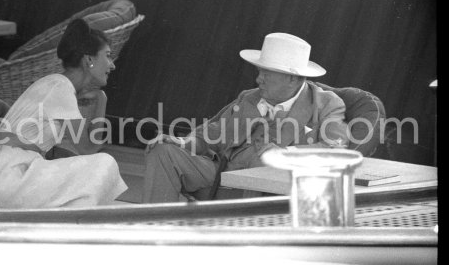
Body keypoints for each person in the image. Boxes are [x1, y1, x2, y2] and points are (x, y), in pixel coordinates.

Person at [143, 32, 349, 203]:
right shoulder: (249, 98)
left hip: (272, 185)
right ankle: (151, 232)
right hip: (223, 173)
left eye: (267, 74)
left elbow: (336, 149)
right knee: (163, 151)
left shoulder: (326, 104)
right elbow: (209, 135)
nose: (258, 79)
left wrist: (287, 153)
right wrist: (181, 142)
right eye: (259, 72)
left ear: (292, 78)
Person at [0, 17, 127, 208]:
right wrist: (102, 101)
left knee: (83, 188)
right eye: (107, 55)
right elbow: (88, 148)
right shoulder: (59, 88)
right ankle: (75, 228)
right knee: (106, 163)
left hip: (7, 174)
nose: (112, 65)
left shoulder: (57, 85)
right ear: (89, 59)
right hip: (6, 177)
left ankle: (71, 228)